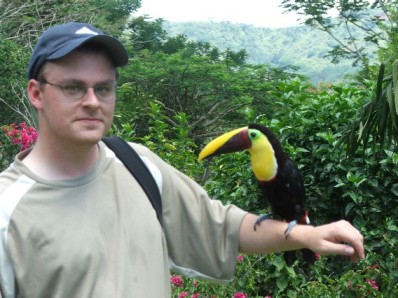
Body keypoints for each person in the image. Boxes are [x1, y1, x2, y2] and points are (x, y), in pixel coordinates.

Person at [0, 22, 364, 298]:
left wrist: (307, 233)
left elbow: (224, 226)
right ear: (37, 93)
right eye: (73, 87)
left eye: (104, 88)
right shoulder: (6, 211)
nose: (93, 101)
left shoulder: (138, 164)